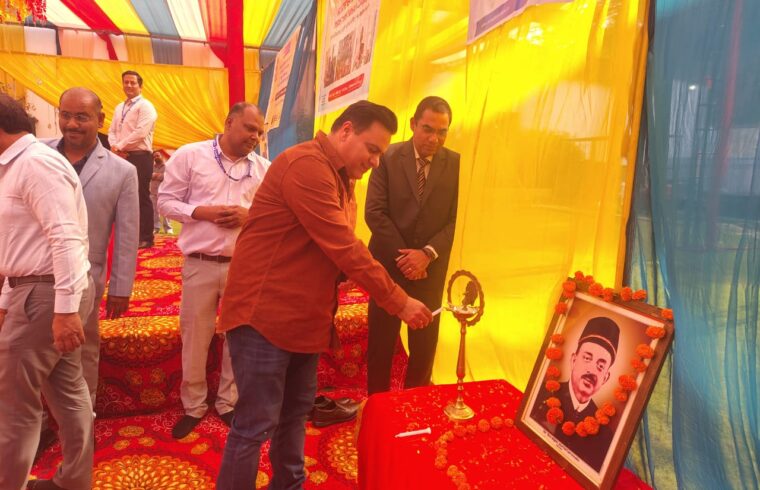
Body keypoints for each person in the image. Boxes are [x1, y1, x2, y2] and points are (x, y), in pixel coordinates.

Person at [214, 100, 433, 489]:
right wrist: (398, 301)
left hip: (306, 319)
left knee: (295, 414)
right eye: (372, 150)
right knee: (255, 424)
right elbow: (344, 247)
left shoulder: (343, 178)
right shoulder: (307, 166)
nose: (375, 163)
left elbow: (338, 249)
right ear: (346, 130)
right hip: (265, 317)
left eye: (380, 154)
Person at [36, 87, 140, 454]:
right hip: (32, 276)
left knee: (83, 353)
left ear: (100, 120)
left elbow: (127, 233)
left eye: (81, 117)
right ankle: (40, 424)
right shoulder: (37, 156)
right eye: (65, 115)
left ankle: (82, 425)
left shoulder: (122, 171)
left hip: (86, 282)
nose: (71, 124)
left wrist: (121, 286)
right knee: (31, 355)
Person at [158, 102, 271, 439]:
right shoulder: (190, 156)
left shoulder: (264, 168)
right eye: (249, 128)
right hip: (200, 263)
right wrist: (201, 212)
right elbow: (165, 202)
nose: (255, 136)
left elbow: (274, 215)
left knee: (238, 337)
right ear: (229, 122)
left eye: (259, 132)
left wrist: (249, 216)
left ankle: (227, 402)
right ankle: (193, 405)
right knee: (195, 336)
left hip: (243, 266)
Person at [0, 94, 95, 490]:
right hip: (43, 292)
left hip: (48, 293)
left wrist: (66, 310)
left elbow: (65, 237)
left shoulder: (35, 163)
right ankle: (74, 481)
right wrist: (6, 300)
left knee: (12, 404)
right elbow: (19, 242)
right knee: (67, 391)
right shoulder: (21, 164)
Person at [365, 96, 460, 394]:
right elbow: (374, 213)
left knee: (424, 348)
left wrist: (427, 254)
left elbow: (458, 218)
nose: (434, 139)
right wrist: (407, 259)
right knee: (381, 344)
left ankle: (416, 406)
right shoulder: (388, 157)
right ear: (413, 124)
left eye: (442, 132)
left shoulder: (457, 165)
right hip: (388, 268)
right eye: (427, 129)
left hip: (430, 271)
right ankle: (377, 406)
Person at [531, 316, 620, 472]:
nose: (592, 370)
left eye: (600, 366)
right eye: (587, 358)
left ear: (605, 378)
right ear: (573, 360)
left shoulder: (605, 436)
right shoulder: (539, 394)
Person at [108, 70, 158, 249]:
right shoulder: (119, 107)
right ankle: (129, 235)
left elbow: (141, 133)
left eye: (132, 82)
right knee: (122, 196)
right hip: (121, 157)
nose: (128, 85)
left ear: (140, 86)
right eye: (126, 82)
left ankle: (146, 237)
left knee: (140, 196)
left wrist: (120, 146)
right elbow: (112, 131)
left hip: (140, 157)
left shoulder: (146, 106)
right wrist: (114, 147)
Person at [150, 150, 172, 234]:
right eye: (155, 156)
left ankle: (168, 228)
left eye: (158, 155)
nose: (156, 157)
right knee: (154, 211)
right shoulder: (151, 167)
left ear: (161, 156)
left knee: (165, 210)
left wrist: (155, 175)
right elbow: (149, 175)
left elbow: (166, 177)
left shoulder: (167, 166)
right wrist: (158, 175)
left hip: (164, 191)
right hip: (153, 191)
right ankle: (156, 227)